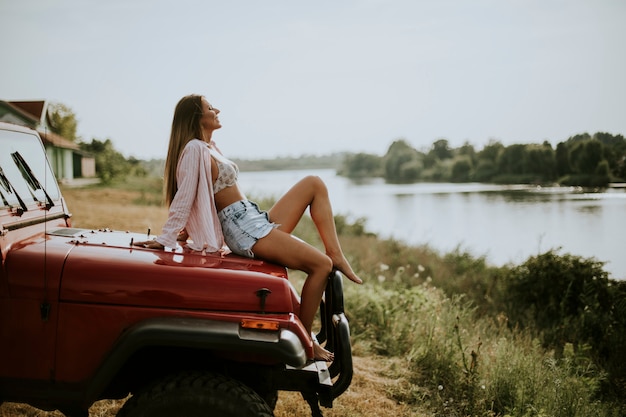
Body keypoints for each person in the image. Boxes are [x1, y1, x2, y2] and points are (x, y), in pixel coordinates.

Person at [134, 94, 362, 361]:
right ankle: (305, 341)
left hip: (252, 218)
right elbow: (184, 196)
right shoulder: (194, 150)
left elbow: (201, 197)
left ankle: (336, 253)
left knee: (314, 183)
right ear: (197, 117)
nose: (216, 110)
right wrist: (167, 237)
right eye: (210, 108)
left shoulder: (210, 146)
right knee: (320, 266)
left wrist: (185, 232)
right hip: (242, 228)